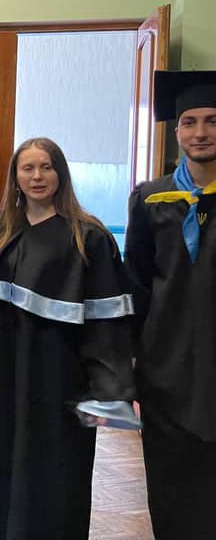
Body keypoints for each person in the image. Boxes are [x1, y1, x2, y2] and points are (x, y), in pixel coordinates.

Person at [0, 137, 139, 540]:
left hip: (57, 378)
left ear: (61, 174)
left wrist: (107, 394)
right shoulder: (3, 230)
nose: (37, 177)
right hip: (0, 375)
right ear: (16, 177)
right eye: (28, 168)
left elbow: (107, 324)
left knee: (52, 474)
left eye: (46, 167)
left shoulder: (88, 237)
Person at [126, 70, 216, 539]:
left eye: (213, 121)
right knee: (170, 476)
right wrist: (130, 357)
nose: (201, 132)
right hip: (167, 361)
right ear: (176, 130)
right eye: (189, 122)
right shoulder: (151, 198)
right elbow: (136, 282)